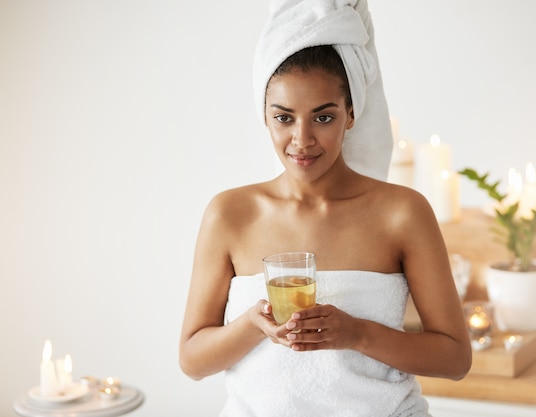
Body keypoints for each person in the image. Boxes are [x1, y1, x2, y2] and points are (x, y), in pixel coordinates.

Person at [179, 1, 471, 416]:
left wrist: (355, 334)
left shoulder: (402, 213)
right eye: (284, 118)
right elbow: (192, 360)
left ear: (350, 114)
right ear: (265, 115)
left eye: (322, 117)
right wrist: (252, 325)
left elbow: (456, 358)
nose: (302, 140)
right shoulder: (229, 214)